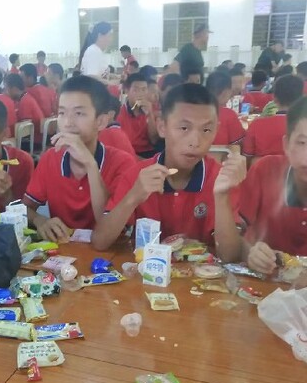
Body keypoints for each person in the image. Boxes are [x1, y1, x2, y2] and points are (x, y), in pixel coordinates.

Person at [91, 83, 245, 260]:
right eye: (184, 128)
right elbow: (100, 242)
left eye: (206, 130)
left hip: (201, 281)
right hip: (144, 279)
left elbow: (231, 256)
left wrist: (222, 197)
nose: (195, 141)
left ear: (216, 130)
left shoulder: (221, 179)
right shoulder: (138, 175)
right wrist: (133, 197)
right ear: (162, 127)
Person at [22, 75, 136, 240]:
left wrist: (91, 165)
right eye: (61, 112)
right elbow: (26, 208)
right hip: (61, 254)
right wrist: (40, 220)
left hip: (107, 254)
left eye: (79, 113)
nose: (68, 123)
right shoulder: (50, 159)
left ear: (101, 121)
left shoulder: (122, 163)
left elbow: (108, 227)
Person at [240, 97, 307, 271]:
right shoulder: (266, 171)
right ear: (286, 145)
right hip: (266, 288)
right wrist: (250, 253)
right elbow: (235, 234)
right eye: (302, 143)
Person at [242, 74, 304, 162]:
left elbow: (246, 156)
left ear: (274, 98)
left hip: (262, 174)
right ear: (301, 99)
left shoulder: (257, 125)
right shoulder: (303, 127)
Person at [116, 73, 158, 158]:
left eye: (144, 89)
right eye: (136, 90)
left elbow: (154, 141)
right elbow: (121, 148)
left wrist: (150, 114)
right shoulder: (119, 114)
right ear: (127, 90)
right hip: (128, 154)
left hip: (150, 153)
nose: (140, 94)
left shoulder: (153, 109)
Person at [205, 72, 245, 146]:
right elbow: (238, 143)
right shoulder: (229, 114)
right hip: (221, 157)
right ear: (225, 92)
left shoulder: (195, 111)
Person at [4, 73, 43, 139]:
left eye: (6, 89)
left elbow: (23, 128)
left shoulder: (25, 101)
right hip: (35, 137)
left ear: (14, 89)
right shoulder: (25, 97)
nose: (5, 92)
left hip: (34, 139)